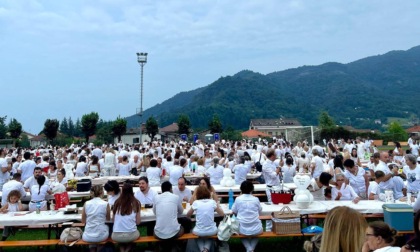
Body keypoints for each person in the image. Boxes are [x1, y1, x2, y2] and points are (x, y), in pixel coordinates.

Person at [187, 186, 224, 252]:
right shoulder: (212, 202)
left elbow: (188, 215)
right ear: (208, 193)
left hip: (199, 231)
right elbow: (222, 214)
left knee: (196, 234)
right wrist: (217, 205)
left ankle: (202, 250)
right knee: (210, 235)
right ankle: (206, 249)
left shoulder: (196, 203)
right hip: (212, 230)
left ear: (197, 194)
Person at [232, 181, 263, 252]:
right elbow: (260, 210)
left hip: (242, 228)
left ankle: (249, 249)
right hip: (256, 228)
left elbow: (234, 211)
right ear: (252, 189)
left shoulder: (238, 199)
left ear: (241, 189)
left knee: (241, 232)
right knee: (257, 233)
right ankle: (250, 249)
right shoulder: (256, 199)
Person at [153, 181, 185, 251]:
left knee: (157, 229)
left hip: (158, 233)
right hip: (174, 232)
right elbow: (181, 211)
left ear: (161, 189)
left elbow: (154, 212)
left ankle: (162, 247)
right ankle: (178, 246)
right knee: (182, 227)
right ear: (171, 189)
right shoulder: (176, 197)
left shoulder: (156, 197)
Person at [112, 183, 141, 252]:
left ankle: (123, 250)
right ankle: (127, 250)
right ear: (131, 191)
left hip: (116, 235)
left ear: (122, 191)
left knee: (123, 240)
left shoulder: (116, 202)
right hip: (130, 235)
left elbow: (113, 220)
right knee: (133, 237)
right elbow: (138, 222)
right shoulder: (136, 203)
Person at [82, 185, 111, 251]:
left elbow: (83, 220)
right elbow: (108, 219)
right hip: (100, 236)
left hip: (87, 236)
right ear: (101, 192)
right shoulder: (105, 204)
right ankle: (99, 249)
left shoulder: (86, 203)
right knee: (106, 227)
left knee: (93, 229)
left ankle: (92, 249)